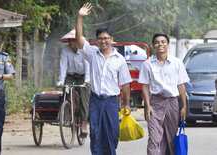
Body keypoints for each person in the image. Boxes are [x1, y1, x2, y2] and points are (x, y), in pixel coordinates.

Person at [76, 3, 132, 155]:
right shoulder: (92, 53)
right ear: (96, 40)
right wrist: (80, 17)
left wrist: (127, 104)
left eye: (106, 38)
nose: (103, 41)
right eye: (100, 39)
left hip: (110, 102)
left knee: (113, 134)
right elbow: (79, 38)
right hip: (95, 100)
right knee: (95, 133)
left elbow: (126, 83)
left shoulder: (119, 59)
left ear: (111, 39)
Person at [138, 33, 189, 155]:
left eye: (163, 42)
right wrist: (148, 105)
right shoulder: (147, 64)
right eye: (157, 42)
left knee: (171, 137)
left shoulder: (177, 63)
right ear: (153, 46)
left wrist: (184, 107)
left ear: (167, 44)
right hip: (155, 103)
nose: (160, 44)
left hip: (172, 102)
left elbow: (181, 86)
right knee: (154, 138)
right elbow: (144, 85)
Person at [57, 29, 90, 137]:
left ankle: (83, 124)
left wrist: (87, 80)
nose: (71, 43)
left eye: (73, 40)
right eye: (69, 40)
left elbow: (88, 65)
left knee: (84, 98)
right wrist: (61, 80)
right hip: (71, 76)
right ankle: (66, 113)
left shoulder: (85, 48)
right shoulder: (65, 50)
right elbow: (63, 65)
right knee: (66, 93)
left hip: (83, 76)